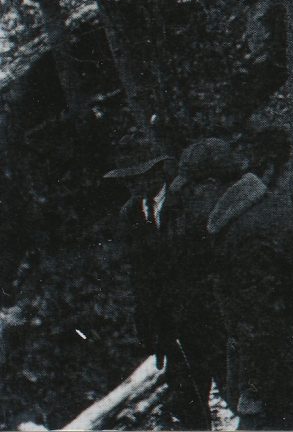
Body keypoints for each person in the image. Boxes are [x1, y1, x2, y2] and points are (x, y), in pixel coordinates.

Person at [123, 140, 240, 430]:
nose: (134, 185)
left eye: (140, 176)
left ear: (159, 172)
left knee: (235, 386)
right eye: (128, 180)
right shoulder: (129, 216)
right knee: (188, 404)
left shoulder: (189, 203)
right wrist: (149, 326)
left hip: (210, 317)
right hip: (169, 329)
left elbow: (216, 260)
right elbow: (139, 277)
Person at [207, 138, 293, 430]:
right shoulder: (266, 210)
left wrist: (252, 388)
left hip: (272, 372)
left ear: (210, 184)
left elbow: (261, 318)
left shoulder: (244, 231)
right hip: (292, 358)